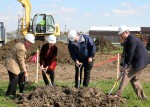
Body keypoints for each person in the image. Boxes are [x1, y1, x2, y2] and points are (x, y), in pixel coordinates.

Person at [110, 25, 149, 100]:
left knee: (126, 74)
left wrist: (126, 66)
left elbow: (130, 53)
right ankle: (143, 97)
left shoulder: (131, 39)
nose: (120, 37)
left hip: (140, 61)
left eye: (121, 35)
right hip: (141, 61)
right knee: (134, 79)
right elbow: (125, 53)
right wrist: (122, 64)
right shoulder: (127, 40)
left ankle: (118, 94)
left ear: (126, 32)